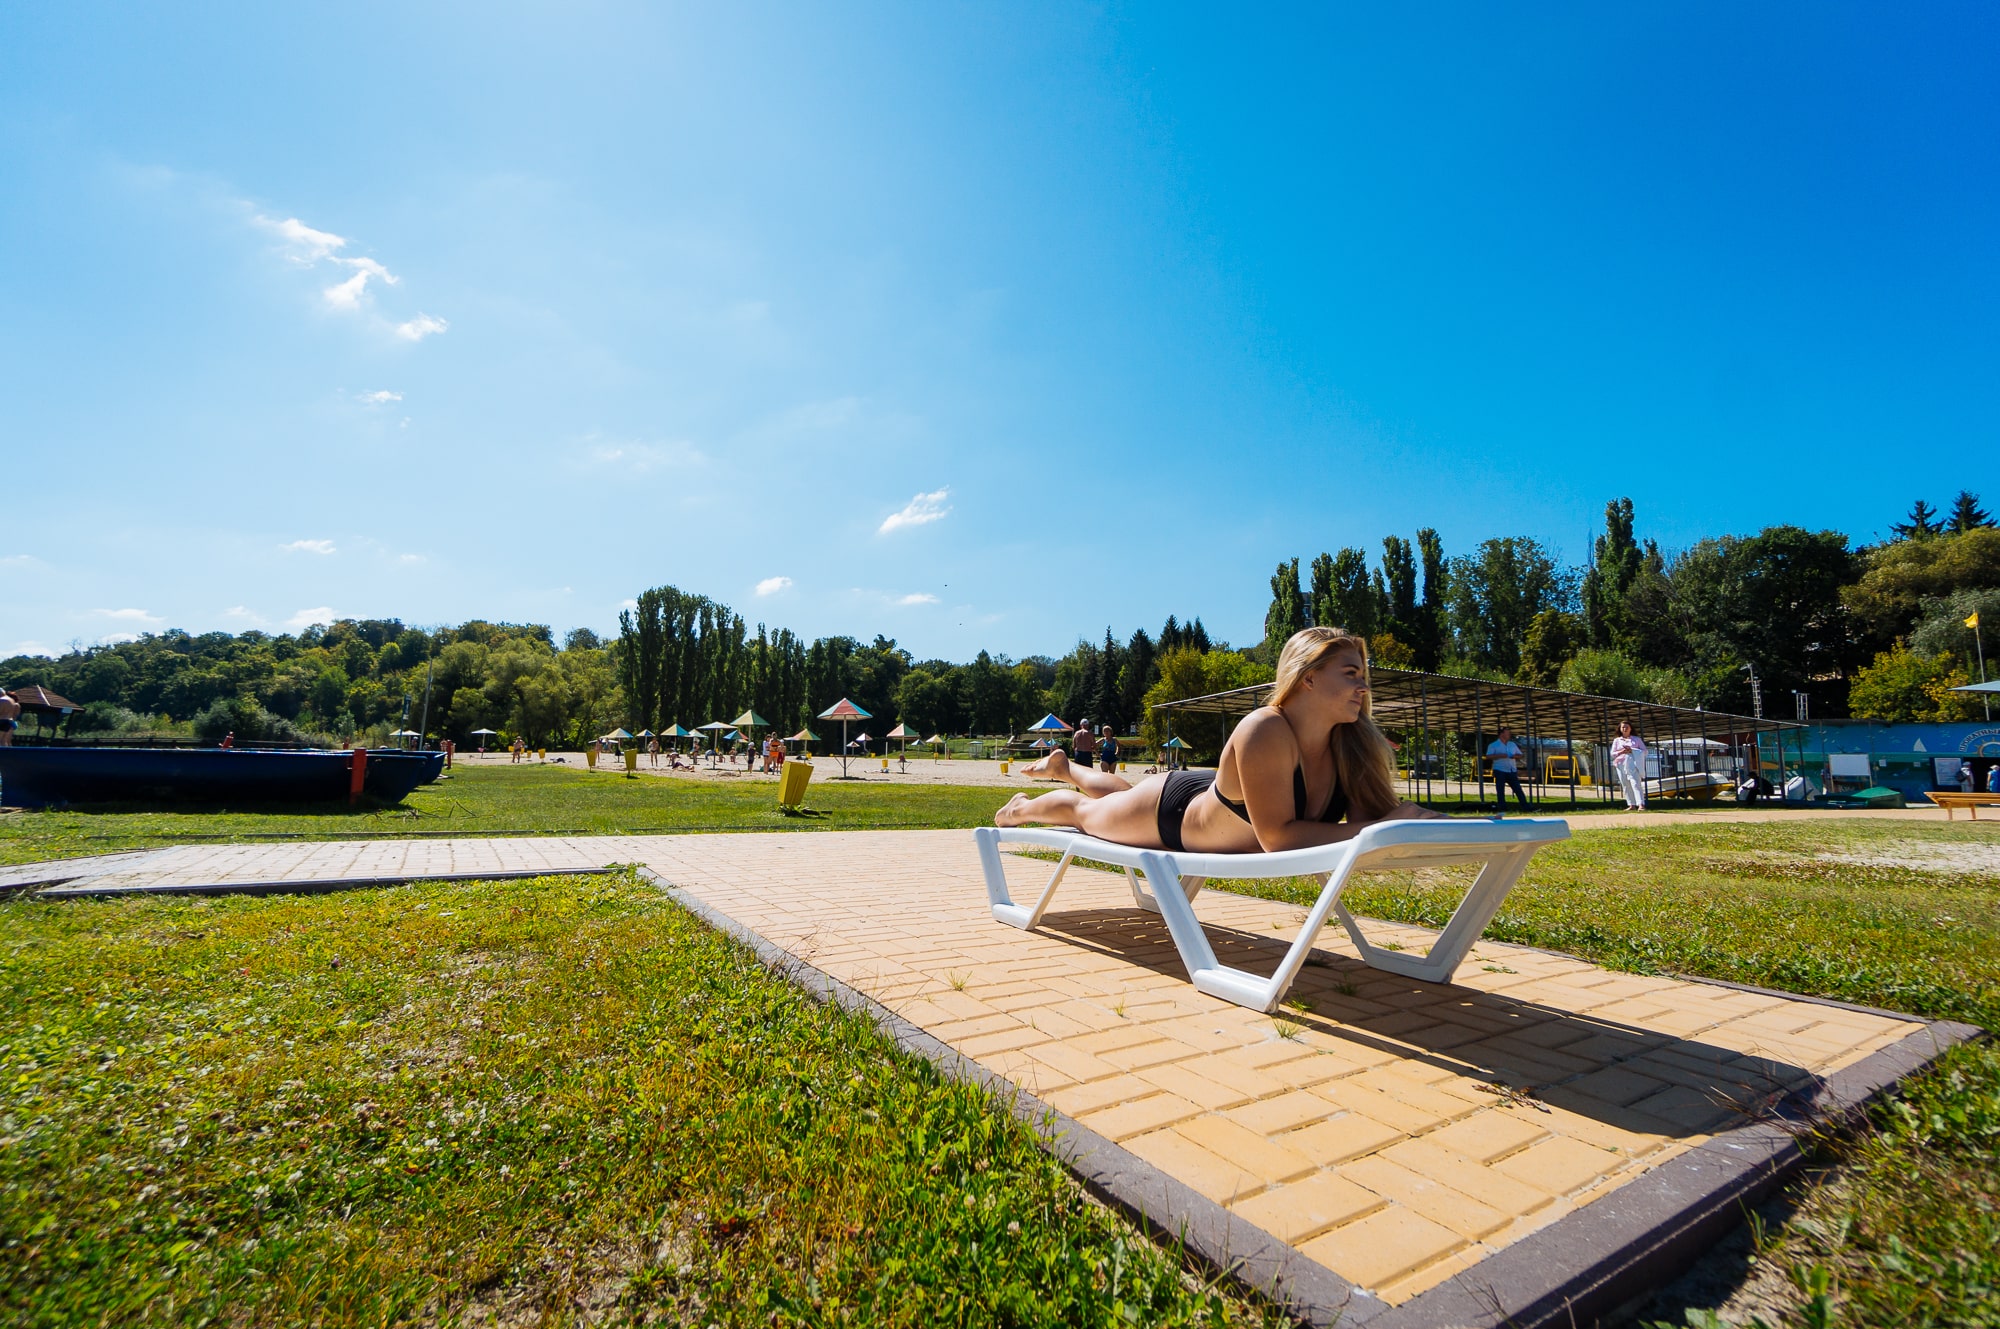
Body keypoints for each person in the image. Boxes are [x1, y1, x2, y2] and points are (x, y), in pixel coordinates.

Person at [998, 627, 1442, 851]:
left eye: (1363, 676)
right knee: (1083, 813)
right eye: (1350, 674)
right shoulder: (1266, 728)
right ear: (1308, 678)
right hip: (1171, 814)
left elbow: (1363, 830)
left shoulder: (1351, 744)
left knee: (1117, 797)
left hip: (1211, 795)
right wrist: (1381, 826)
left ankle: (1066, 767)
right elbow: (1276, 839)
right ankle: (1022, 807)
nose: (1363, 687)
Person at [1485, 726, 1528, 812]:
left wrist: (1514, 756)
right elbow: (1488, 756)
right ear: (1501, 734)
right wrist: (1500, 755)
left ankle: (1527, 807)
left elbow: (1520, 755)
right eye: (1507, 733)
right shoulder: (1493, 745)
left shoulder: (1512, 744)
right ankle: (1502, 808)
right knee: (1500, 790)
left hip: (1511, 770)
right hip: (1500, 770)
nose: (1509, 735)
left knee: (1518, 789)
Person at [1610, 720, 1647, 810]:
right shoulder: (1617, 740)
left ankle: (1641, 804)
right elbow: (1613, 754)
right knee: (1625, 784)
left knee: (1636, 783)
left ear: (1630, 728)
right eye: (1623, 727)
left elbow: (1645, 751)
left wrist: (1633, 750)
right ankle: (1631, 804)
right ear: (1620, 729)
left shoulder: (1636, 739)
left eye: (1627, 727)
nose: (1625, 729)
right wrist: (1622, 751)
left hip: (1633, 763)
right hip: (1620, 764)